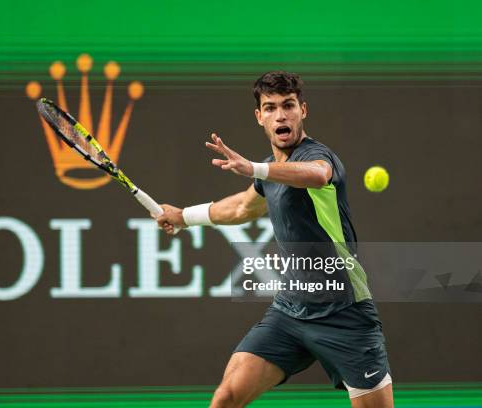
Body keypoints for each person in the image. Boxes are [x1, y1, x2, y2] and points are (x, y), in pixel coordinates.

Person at [156, 71, 393, 408]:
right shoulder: (269, 169)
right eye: (270, 108)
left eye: (288, 106)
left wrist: (254, 168)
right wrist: (183, 217)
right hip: (290, 313)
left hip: (344, 313)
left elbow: (316, 175)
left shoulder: (317, 156)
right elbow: (241, 207)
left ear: (303, 110)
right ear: (259, 117)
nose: (281, 115)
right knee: (226, 397)